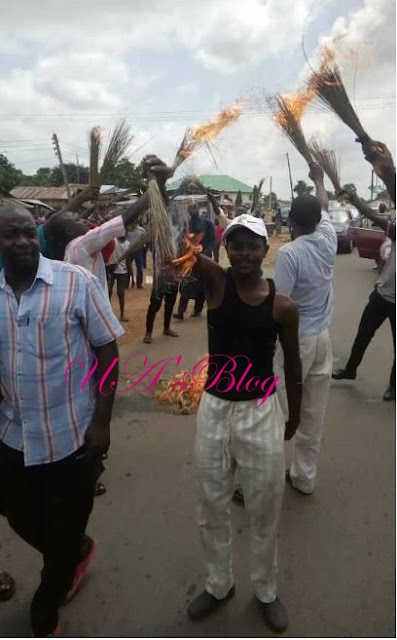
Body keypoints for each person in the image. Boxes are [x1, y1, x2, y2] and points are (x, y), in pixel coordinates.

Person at [0, 203, 124, 637]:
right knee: (16, 515)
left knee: (65, 526)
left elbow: (107, 350)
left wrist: (103, 423)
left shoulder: (76, 283)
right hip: (12, 436)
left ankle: (45, 610)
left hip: (72, 437)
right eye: (10, 235)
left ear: (39, 237)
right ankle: (73, 551)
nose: (21, 242)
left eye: (27, 234)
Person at [176, 214, 302, 632]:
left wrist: (295, 415)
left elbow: (294, 365)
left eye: (253, 245)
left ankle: (266, 589)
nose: (245, 252)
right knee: (211, 503)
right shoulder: (216, 284)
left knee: (265, 508)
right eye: (237, 244)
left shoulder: (282, 306)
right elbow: (177, 243)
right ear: (225, 249)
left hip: (260, 411)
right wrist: (156, 185)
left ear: (267, 250)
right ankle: (219, 583)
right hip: (214, 409)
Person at [273, 164, 337, 496]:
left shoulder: (290, 253)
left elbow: (279, 304)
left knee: (277, 411)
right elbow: (324, 204)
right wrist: (319, 180)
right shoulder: (328, 237)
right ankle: (303, 478)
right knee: (313, 412)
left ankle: (264, 478)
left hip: (296, 344)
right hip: (323, 339)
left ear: (291, 223)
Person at [332, 140, 396, 401]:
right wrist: (356, 200)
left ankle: (393, 386)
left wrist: (388, 165)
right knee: (363, 334)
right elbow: (380, 220)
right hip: (383, 293)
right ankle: (350, 370)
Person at [173, 203, 215, 320]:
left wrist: (206, 252)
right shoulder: (187, 224)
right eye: (190, 208)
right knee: (186, 283)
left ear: (198, 209)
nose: (192, 210)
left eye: (194, 208)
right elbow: (182, 240)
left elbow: (212, 240)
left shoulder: (207, 223)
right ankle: (181, 311)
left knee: (202, 284)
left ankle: (198, 309)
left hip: (203, 258)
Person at [109, 236, 131, 322]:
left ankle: (122, 314)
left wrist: (129, 273)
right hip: (112, 269)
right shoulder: (113, 241)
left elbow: (128, 260)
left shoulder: (127, 244)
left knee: (120, 293)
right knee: (109, 291)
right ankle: (109, 313)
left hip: (122, 271)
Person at [126, 223, 146, 289]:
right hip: (129, 251)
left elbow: (144, 240)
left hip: (138, 250)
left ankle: (139, 283)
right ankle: (127, 283)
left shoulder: (141, 230)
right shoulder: (127, 230)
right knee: (127, 267)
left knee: (139, 267)